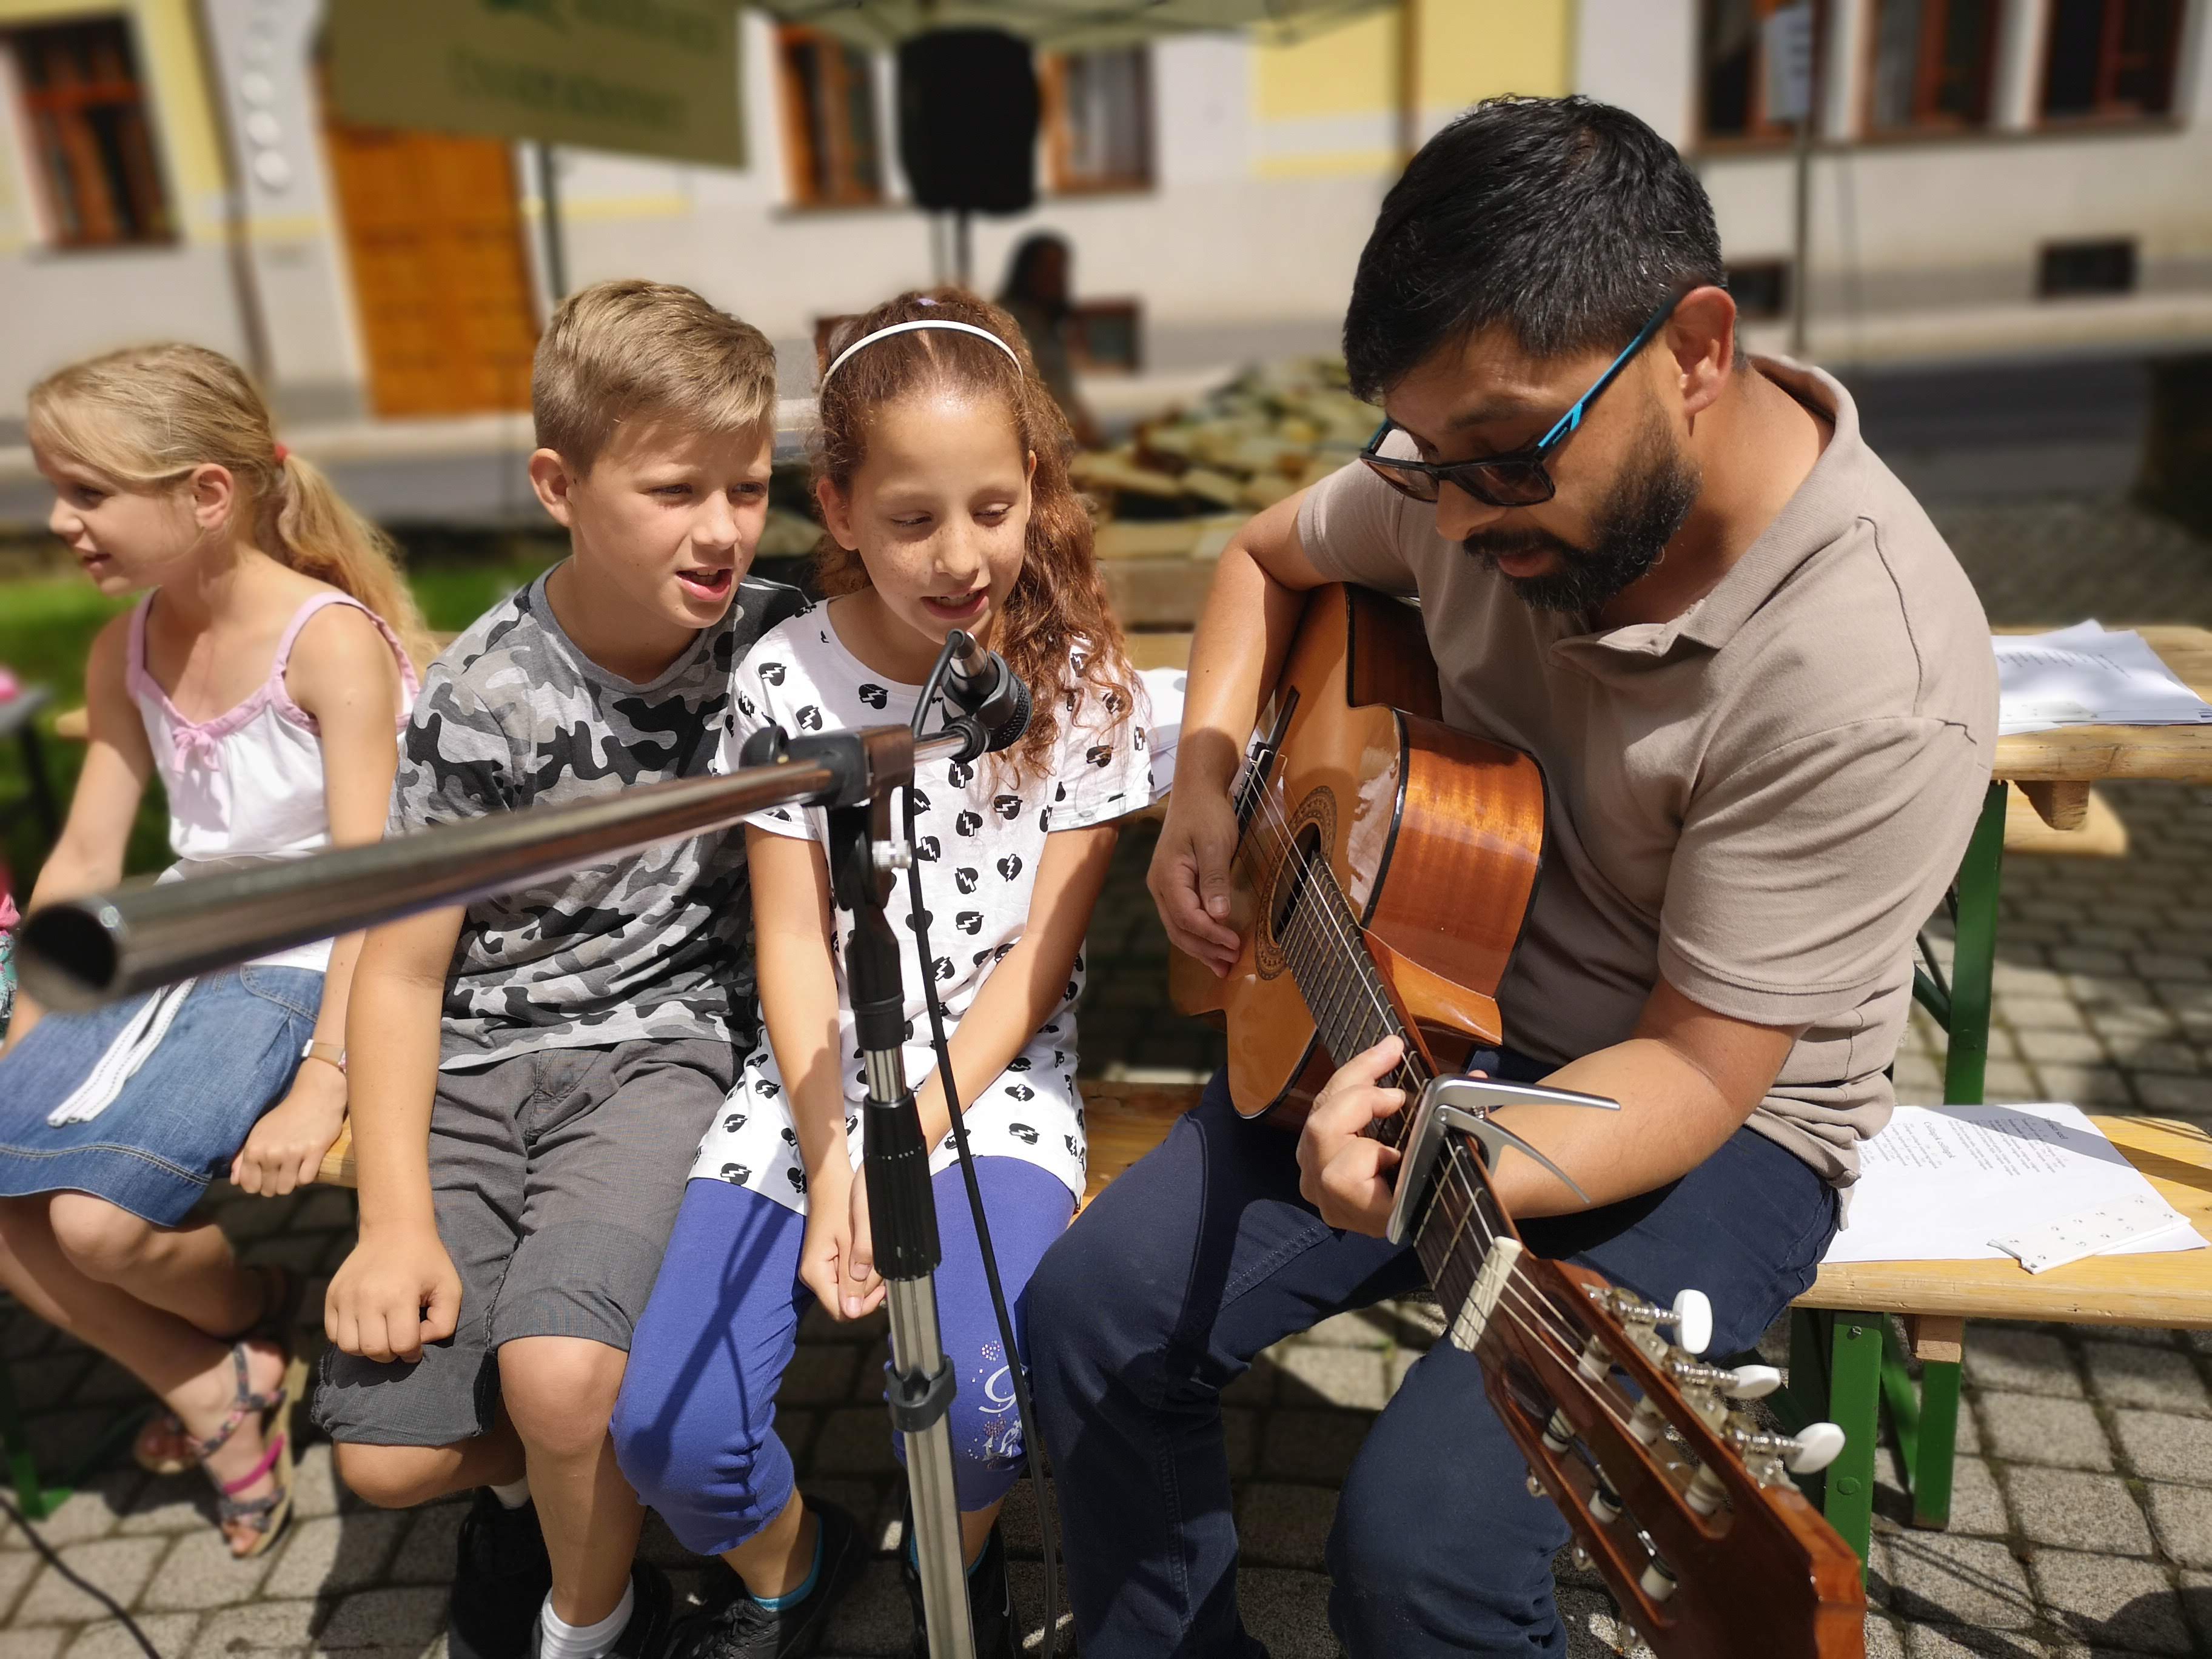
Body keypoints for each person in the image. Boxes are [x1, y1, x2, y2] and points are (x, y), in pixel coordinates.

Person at [1027, 95, 2000, 1657]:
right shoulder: (1461, 479)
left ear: (1696, 349)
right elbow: (1261, 558)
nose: (1462, 515)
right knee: (1088, 1320)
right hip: (1424, 987)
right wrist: (1207, 777)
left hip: (1720, 1111)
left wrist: (1437, 1153)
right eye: (1424, 459)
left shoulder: (1869, 669)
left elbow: (1700, 1066)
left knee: (1427, 1554)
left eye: (1504, 456)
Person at [611, 289, 1151, 1659]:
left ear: (1032, 486)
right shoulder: (785, 680)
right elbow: (794, 941)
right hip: (815, 1073)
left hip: (990, 1075)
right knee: (669, 1433)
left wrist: (902, 1133)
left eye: (992, 507)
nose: (961, 556)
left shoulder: (1080, 682)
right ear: (839, 510)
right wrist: (834, 1149)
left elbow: (1035, 962)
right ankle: (792, 1566)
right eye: (912, 519)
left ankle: (950, 1568)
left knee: (981, 1413)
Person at [312, 280, 803, 1659]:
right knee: (388, 1461)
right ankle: (545, 1485)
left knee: (562, 1373)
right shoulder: (483, 697)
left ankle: (591, 1619)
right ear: (558, 486)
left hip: (663, 1049)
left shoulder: (781, 644)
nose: (721, 527)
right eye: (673, 490)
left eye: (748, 486)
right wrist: (392, 1217)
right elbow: (403, 971)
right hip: (480, 1061)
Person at [0, 343, 426, 1557]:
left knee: (94, 1226)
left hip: (306, 953)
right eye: (58, 489)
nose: (59, 519)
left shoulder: (326, 643)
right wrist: (33, 1017)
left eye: (88, 491)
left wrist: (327, 1077)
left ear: (205, 493)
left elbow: (377, 884)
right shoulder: (125, 645)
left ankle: (255, 1306)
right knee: (11, 1196)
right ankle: (214, 1385)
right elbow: (86, 859)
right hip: (173, 942)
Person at [998, 234, 1104, 450]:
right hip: (1038, 445)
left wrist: (1086, 422)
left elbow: (1063, 385)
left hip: (1067, 441)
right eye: (1047, 270)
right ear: (1027, 272)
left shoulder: (1049, 320)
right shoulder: (1009, 321)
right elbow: (1025, 388)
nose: (1056, 278)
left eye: (1060, 269)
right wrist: (1072, 429)